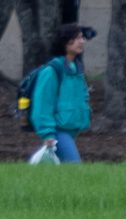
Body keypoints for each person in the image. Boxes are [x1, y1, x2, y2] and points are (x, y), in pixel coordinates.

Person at [30, 24, 96, 163]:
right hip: (58, 131)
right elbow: (43, 103)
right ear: (66, 42)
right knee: (74, 168)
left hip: (71, 129)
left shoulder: (76, 69)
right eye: (77, 38)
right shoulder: (52, 71)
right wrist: (48, 133)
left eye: (82, 38)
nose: (82, 41)